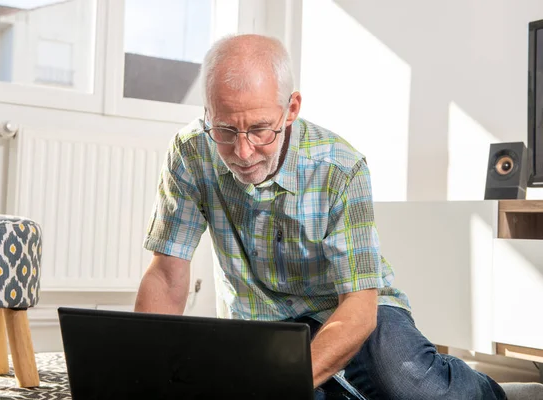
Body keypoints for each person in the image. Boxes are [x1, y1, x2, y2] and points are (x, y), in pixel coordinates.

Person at [134, 34, 507, 399]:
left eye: (260, 129)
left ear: (291, 109)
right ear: (207, 114)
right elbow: (166, 277)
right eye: (226, 130)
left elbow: (359, 309)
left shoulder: (341, 168)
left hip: (349, 304)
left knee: (411, 385)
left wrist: (281, 383)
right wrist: (140, 372)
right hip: (259, 320)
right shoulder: (190, 153)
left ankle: (492, 390)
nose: (243, 152)